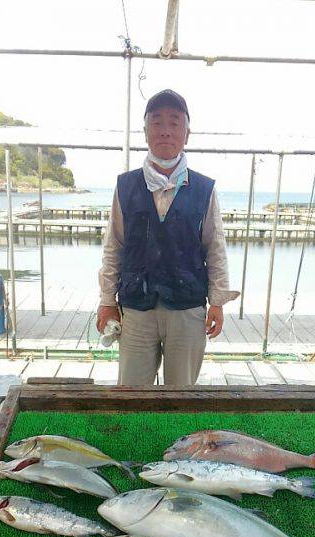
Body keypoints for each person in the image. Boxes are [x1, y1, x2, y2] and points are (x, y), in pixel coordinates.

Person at [97, 89, 239, 385]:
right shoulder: (125, 186)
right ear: (145, 131)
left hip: (187, 306)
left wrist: (217, 301)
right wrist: (107, 300)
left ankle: (181, 432)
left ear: (187, 133)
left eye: (174, 123)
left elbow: (215, 247)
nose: (165, 131)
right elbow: (114, 245)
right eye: (157, 122)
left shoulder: (204, 188)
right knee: (131, 393)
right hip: (136, 307)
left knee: (183, 394)